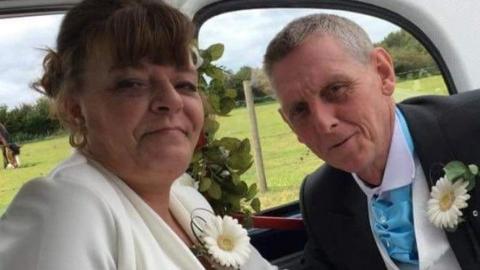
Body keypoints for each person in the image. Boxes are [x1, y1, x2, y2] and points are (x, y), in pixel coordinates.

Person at [0, 1, 276, 269]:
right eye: (132, 83)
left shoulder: (186, 197)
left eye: (185, 84)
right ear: (75, 110)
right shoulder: (65, 210)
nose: (173, 100)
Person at [264, 14, 480, 270]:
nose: (323, 123)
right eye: (300, 110)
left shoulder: (473, 127)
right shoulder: (321, 198)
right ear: (290, 126)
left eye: (336, 89)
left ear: (383, 73)